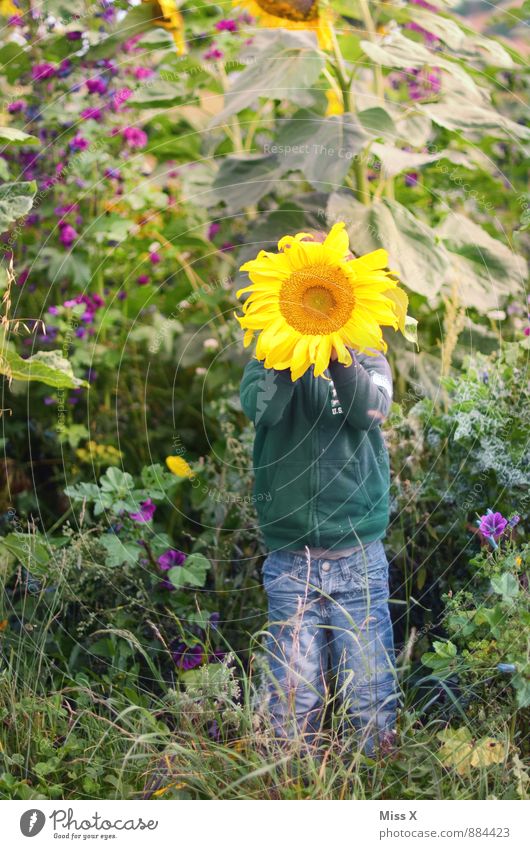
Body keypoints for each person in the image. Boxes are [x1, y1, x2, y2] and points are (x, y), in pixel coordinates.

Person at [240, 339, 397, 757]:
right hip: (292, 562)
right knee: (292, 699)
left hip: (359, 559)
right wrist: (291, 351)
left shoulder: (367, 357)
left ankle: (380, 781)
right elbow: (263, 410)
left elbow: (372, 412)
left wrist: (339, 356)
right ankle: (295, 790)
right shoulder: (264, 361)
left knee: (370, 695)